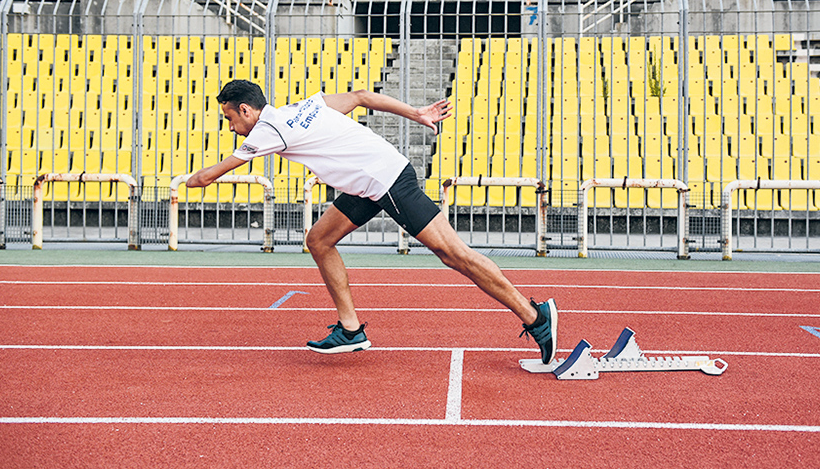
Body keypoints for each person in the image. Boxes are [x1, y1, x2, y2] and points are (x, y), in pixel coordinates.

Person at [185, 80, 558, 364]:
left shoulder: (269, 130)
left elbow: (207, 177)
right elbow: (362, 95)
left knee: (453, 254)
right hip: (365, 186)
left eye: (230, 118)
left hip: (386, 180)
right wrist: (417, 113)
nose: (231, 127)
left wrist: (185, 180)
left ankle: (534, 316)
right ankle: (350, 329)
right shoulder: (303, 107)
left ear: (247, 111)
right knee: (319, 239)